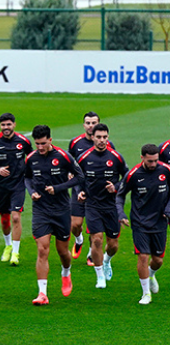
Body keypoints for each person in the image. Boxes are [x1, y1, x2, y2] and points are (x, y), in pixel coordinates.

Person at [24, 125, 84, 306]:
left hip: (61, 209)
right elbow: (26, 177)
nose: (40, 147)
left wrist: (57, 188)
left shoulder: (63, 156)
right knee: (42, 249)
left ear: (50, 140)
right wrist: (31, 191)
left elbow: (80, 177)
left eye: (43, 143)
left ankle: (66, 272)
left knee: (63, 252)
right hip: (41, 209)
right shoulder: (31, 158)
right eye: (37, 144)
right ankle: (42, 293)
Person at [116, 144, 170, 305]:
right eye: (150, 161)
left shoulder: (166, 170)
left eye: (155, 161)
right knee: (143, 256)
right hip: (140, 222)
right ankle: (146, 293)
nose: (153, 164)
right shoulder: (133, 174)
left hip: (160, 221)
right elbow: (120, 196)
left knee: (158, 260)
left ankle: (151, 274)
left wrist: (168, 209)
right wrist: (121, 214)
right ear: (142, 158)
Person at [76, 124, 128, 289]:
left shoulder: (115, 157)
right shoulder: (84, 158)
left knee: (113, 245)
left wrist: (116, 187)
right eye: (98, 137)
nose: (102, 140)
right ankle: (100, 277)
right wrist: (80, 192)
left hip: (112, 206)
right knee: (97, 239)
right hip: (92, 205)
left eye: (105, 137)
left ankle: (106, 260)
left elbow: (126, 177)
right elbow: (77, 178)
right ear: (92, 137)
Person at [68, 112, 116, 266]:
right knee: (74, 225)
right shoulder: (75, 143)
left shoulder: (109, 146)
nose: (91, 126)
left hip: (98, 195)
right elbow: (69, 164)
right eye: (88, 123)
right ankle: (79, 239)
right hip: (79, 190)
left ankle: (91, 253)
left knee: (95, 229)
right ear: (84, 125)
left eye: (94, 122)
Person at [0, 113, 33, 266]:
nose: (6, 128)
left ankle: (15, 252)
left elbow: (33, 157)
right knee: (5, 219)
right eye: (3, 125)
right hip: (1, 186)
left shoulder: (23, 141)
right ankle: (8, 245)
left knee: (15, 217)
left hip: (18, 185)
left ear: (14, 125)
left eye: (8, 124)